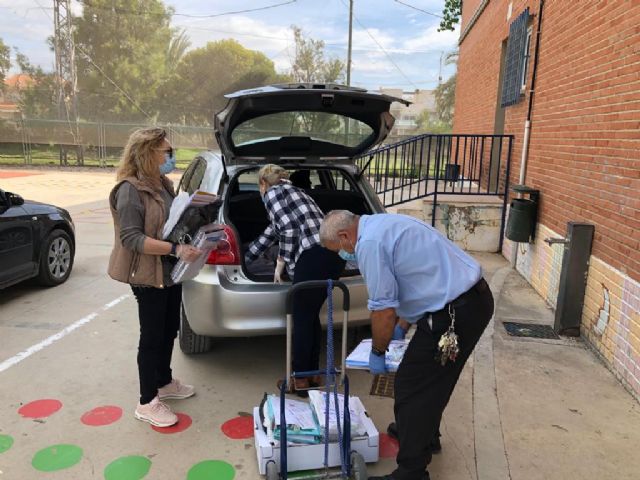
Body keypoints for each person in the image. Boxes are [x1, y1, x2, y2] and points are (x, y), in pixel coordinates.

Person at [319, 210, 494, 480]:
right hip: (470, 301)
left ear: (344, 235)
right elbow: (413, 282)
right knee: (435, 380)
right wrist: (402, 327)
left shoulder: (368, 244)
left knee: (411, 385)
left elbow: (383, 309)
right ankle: (422, 435)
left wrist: (378, 351)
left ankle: (411, 471)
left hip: (455, 312)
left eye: (338, 249)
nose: (342, 255)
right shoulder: (380, 223)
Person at [108, 127, 202, 428]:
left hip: (169, 269)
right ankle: (147, 401)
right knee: (151, 337)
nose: (171, 157)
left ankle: (164, 381)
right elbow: (131, 238)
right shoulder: (129, 190)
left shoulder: (161, 183)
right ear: (147, 153)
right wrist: (175, 247)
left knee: (169, 329)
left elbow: (169, 222)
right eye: (167, 152)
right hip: (147, 274)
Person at [245, 164, 345, 395]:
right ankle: (311, 375)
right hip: (332, 256)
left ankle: (299, 379)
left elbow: (288, 231)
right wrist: (248, 256)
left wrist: (281, 261)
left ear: (262, 183)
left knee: (301, 318)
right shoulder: (295, 192)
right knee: (310, 318)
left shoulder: (271, 194)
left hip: (313, 257)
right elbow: (274, 229)